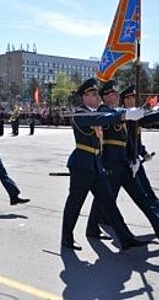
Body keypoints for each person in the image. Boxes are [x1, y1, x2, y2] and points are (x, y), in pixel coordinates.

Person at [86, 81, 159, 240]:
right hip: (110, 163)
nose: (116, 96)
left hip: (124, 162)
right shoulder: (103, 111)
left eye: (116, 93)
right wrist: (126, 113)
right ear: (104, 97)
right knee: (103, 199)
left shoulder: (119, 111)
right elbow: (111, 118)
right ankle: (92, 228)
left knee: (141, 196)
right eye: (112, 93)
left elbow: (130, 136)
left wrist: (134, 158)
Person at [61, 78, 148, 251]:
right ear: (84, 97)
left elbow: (107, 116)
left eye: (96, 94)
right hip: (82, 166)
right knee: (75, 203)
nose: (97, 97)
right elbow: (100, 118)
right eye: (93, 94)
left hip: (96, 165)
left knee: (108, 203)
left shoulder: (97, 113)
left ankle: (125, 238)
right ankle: (67, 238)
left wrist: (126, 113)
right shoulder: (80, 114)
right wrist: (123, 115)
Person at [120, 84, 159, 221]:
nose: (132, 101)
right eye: (129, 98)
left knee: (146, 189)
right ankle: (100, 218)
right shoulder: (125, 116)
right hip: (126, 161)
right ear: (123, 101)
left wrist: (144, 153)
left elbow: (137, 140)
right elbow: (143, 122)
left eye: (133, 98)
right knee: (111, 194)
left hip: (135, 159)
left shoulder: (135, 114)